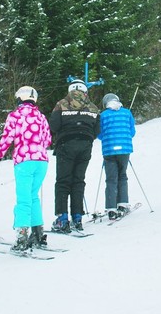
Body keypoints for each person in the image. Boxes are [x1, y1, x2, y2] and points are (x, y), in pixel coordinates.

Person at [0, 86, 52, 252]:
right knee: (33, 197)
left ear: (20, 98)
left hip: (24, 160)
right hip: (42, 161)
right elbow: (48, 140)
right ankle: (38, 234)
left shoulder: (15, 116)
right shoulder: (41, 117)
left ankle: (22, 238)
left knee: (23, 199)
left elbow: (7, 138)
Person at [50, 79, 100, 233]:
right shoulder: (93, 107)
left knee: (63, 181)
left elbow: (53, 126)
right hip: (85, 145)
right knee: (78, 180)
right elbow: (97, 130)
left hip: (66, 144)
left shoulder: (61, 104)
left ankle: (62, 218)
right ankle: (77, 218)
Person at [98, 93, 136, 220]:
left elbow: (99, 133)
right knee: (122, 175)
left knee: (111, 179)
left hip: (109, 150)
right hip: (124, 149)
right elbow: (132, 132)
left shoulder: (103, 115)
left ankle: (111, 208)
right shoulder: (127, 113)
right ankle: (123, 204)